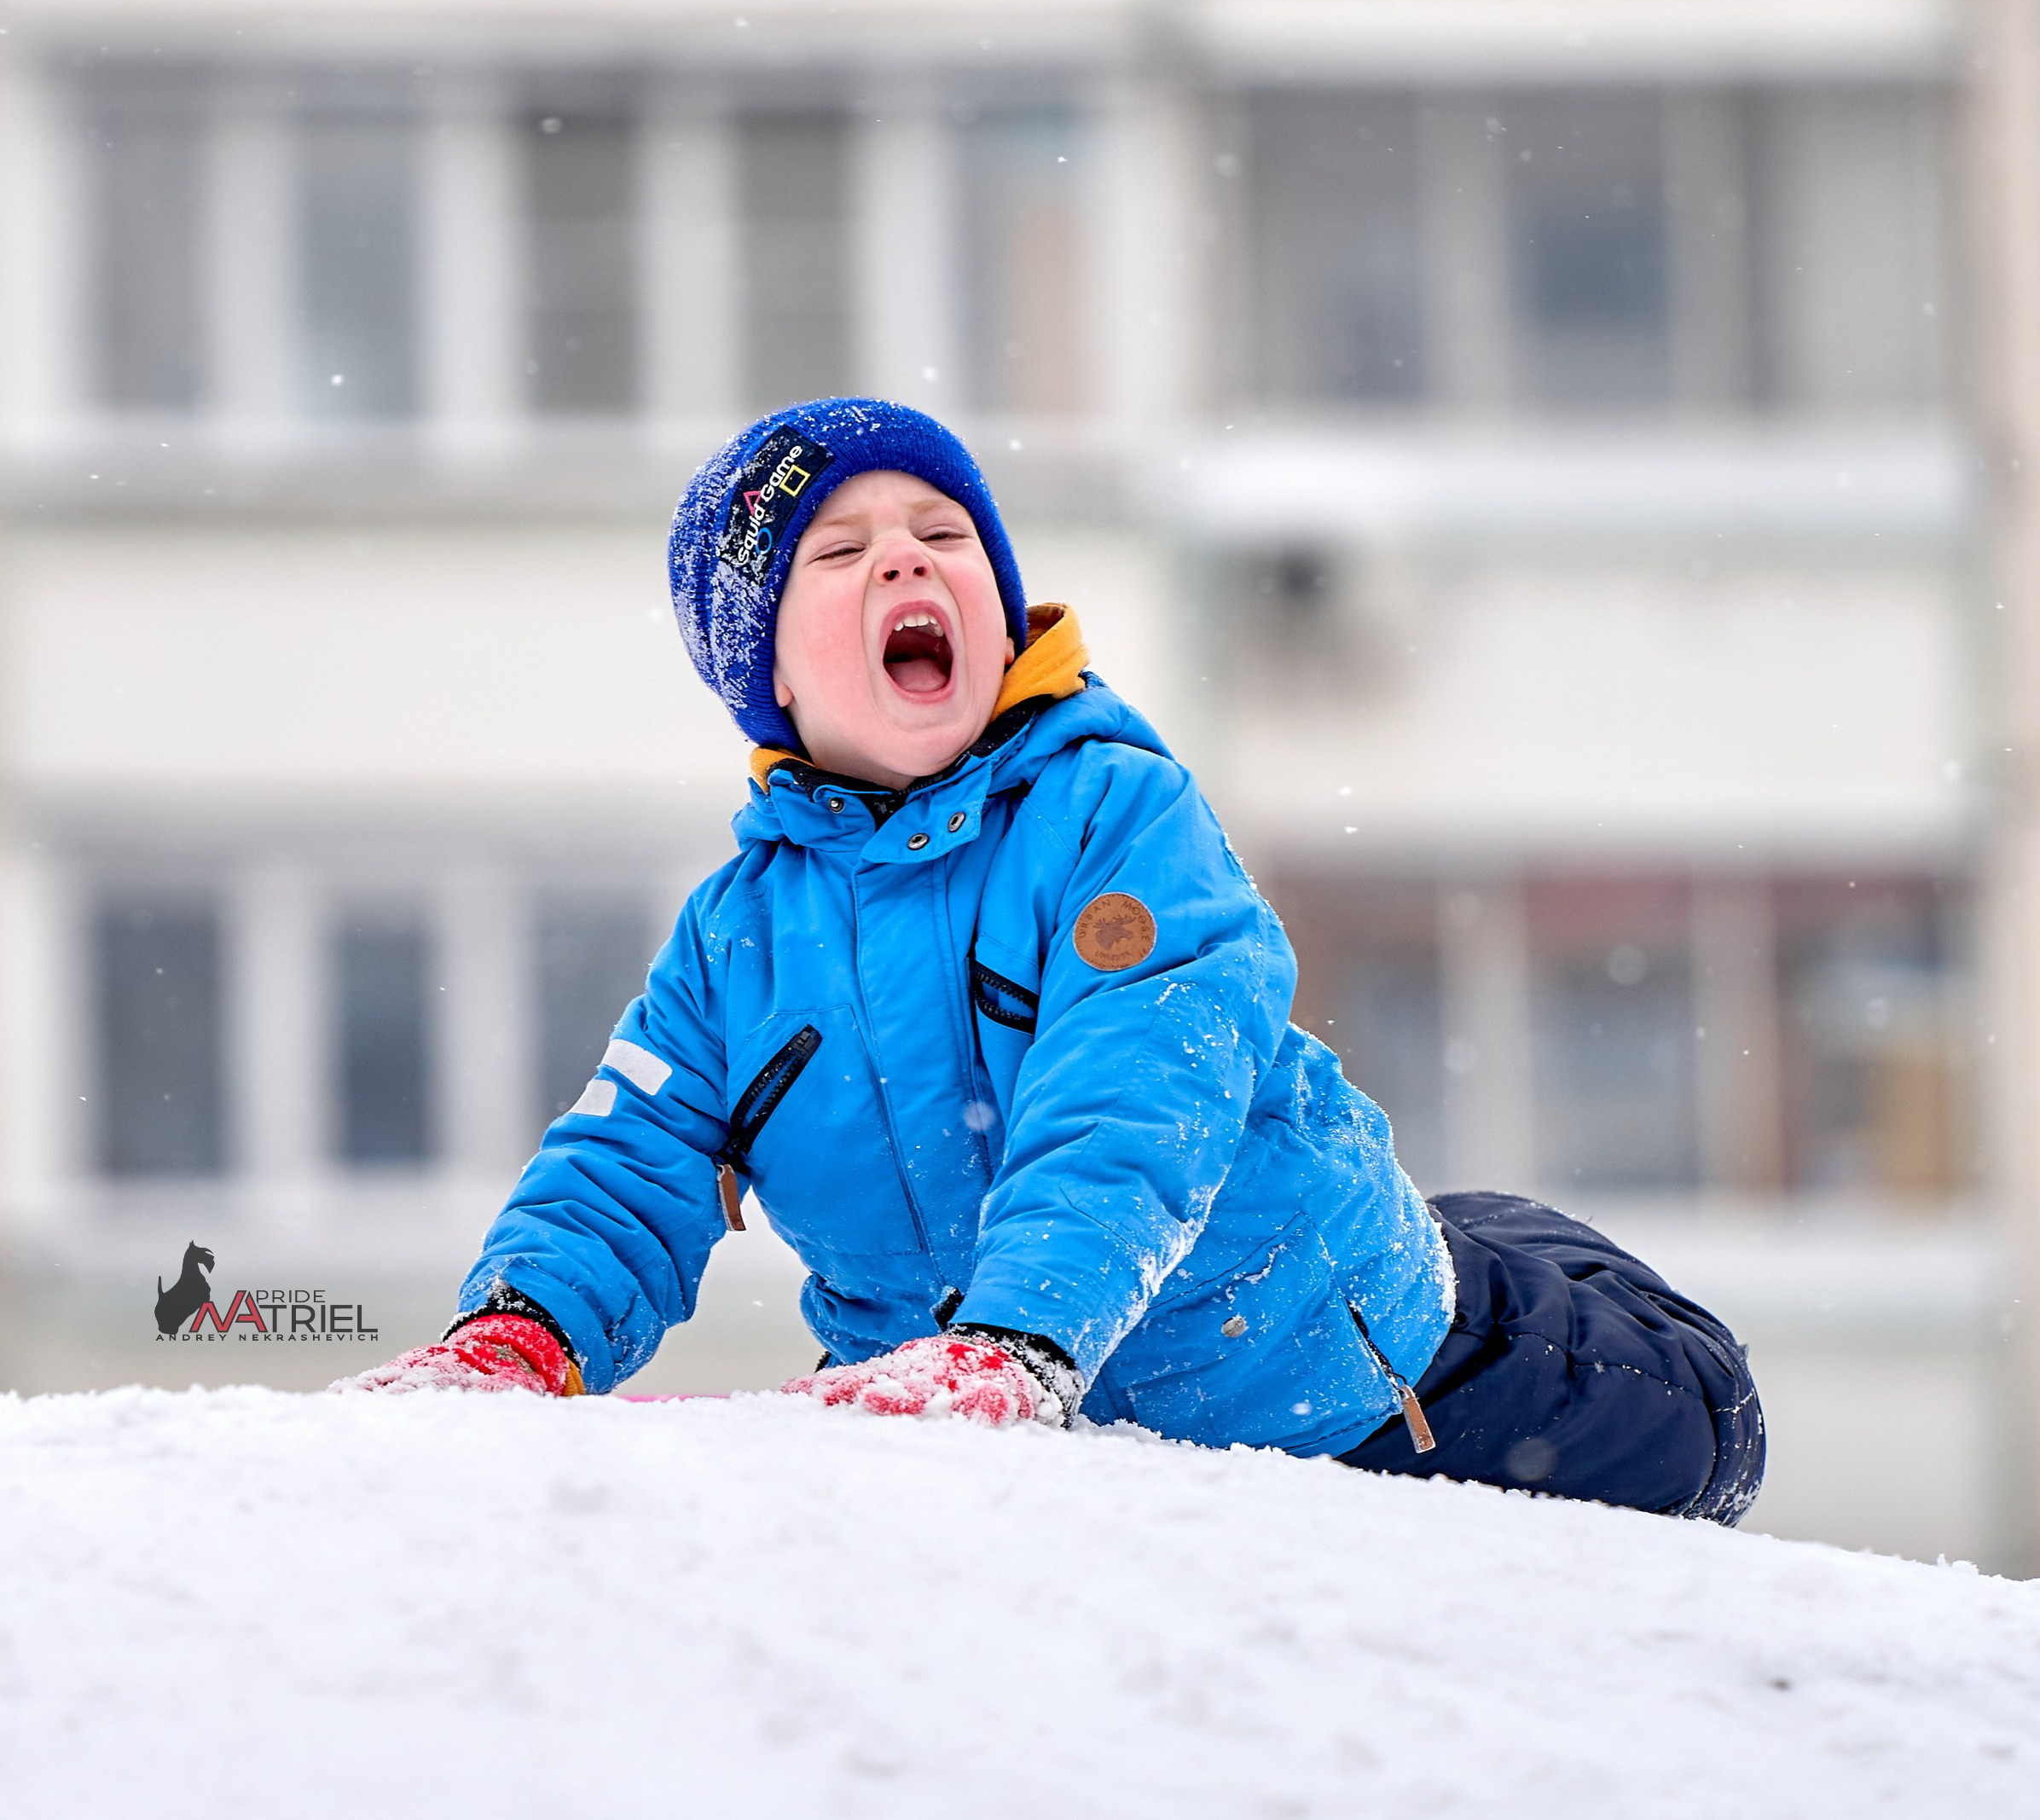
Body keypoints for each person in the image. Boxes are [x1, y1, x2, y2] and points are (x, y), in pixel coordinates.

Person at [336, 398, 1765, 1523]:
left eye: (941, 532)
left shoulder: (1110, 814)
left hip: (1341, 1370)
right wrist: (522, 1329)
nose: (905, 557)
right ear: (766, 672)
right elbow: (630, 1153)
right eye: (838, 553)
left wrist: (1018, 1340)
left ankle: (1537, 1264)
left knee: (1701, 1427)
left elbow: (1136, 1088)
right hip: (995, 1398)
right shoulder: (738, 936)